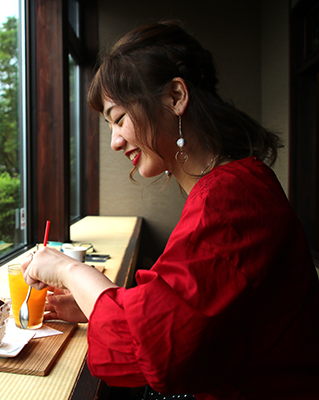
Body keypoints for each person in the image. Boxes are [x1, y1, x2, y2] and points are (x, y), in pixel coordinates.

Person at [21, 21, 319, 400]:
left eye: (118, 119)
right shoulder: (235, 183)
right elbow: (193, 313)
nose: (114, 142)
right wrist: (93, 305)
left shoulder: (232, 196)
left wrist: (67, 268)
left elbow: (149, 350)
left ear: (176, 97)